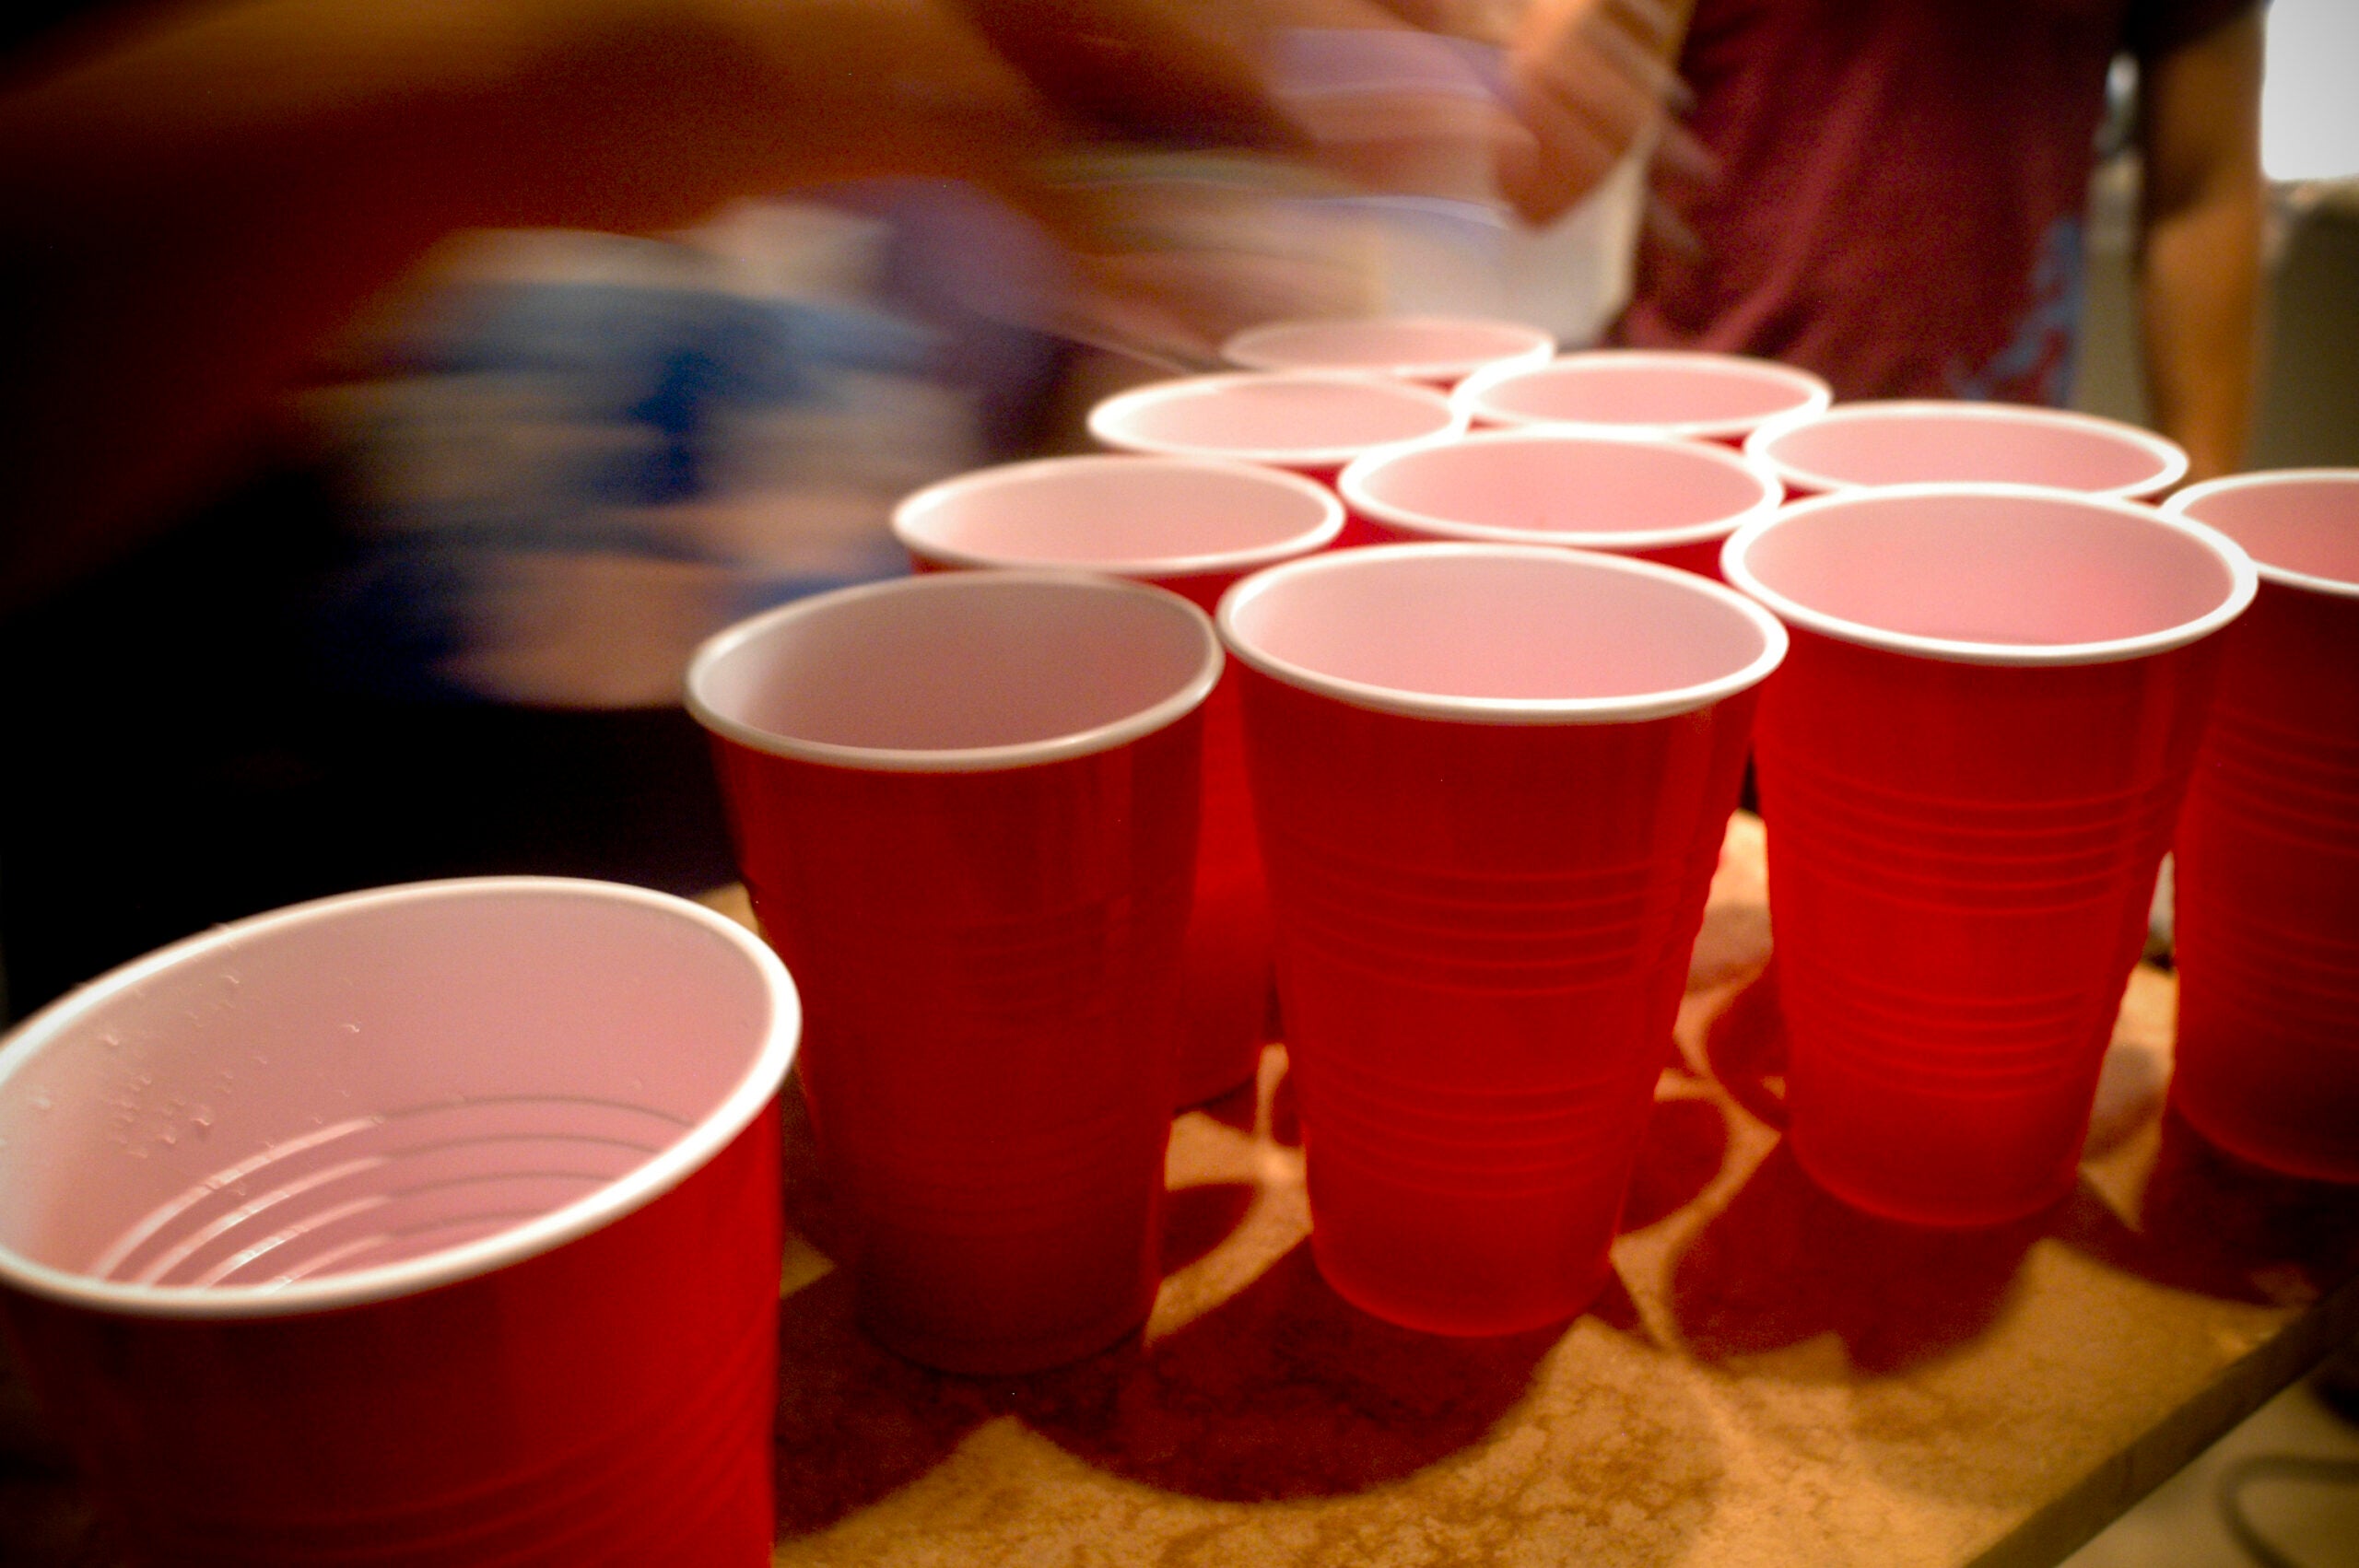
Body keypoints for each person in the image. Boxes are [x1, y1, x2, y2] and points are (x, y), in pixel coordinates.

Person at [0, 0, 1694, 1019]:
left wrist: (1314, 121)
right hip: (230, 970)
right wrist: (542, 73)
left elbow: (1072, 292)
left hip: (848, 928)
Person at [1506, 0, 2266, 482]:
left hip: (1995, 471)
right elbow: (1532, 176)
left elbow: (2204, 186)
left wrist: (2206, 506)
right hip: (1698, 456)